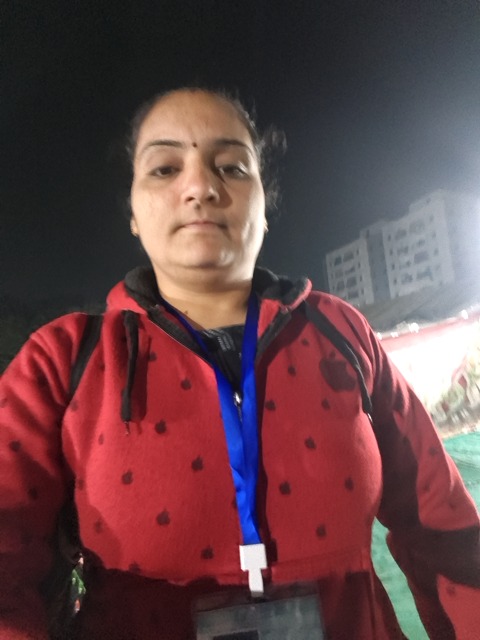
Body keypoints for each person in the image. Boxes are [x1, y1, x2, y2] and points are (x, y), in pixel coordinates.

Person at [0, 87, 479, 640]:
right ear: (132, 213)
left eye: (230, 167)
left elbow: (447, 533)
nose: (201, 187)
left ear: (263, 205)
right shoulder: (61, 361)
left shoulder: (342, 332)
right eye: (164, 169)